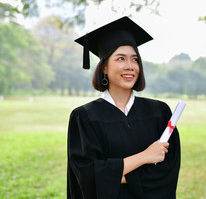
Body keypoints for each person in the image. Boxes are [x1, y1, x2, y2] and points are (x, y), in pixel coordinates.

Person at [67, 16, 181, 199]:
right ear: (104, 67)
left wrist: (112, 175)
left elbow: (167, 171)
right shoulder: (84, 117)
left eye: (134, 59)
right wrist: (144, 157)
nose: (130, 66)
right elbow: (87, 176)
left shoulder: (159, 112)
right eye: (121, 59)